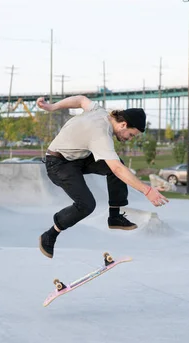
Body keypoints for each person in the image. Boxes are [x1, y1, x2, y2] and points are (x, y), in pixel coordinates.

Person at [36, 95, 169, 259]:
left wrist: (53, 107)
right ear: (123, 125)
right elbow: (118, 170)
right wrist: (147, 191)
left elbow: (81, 100)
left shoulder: (100, 111)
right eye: (131, 135)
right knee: (87, 204)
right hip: (57, 164)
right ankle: (50, 235)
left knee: (117, 163)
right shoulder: (101, 134)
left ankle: (114, 217)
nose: (129, 139)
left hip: (77, 159)